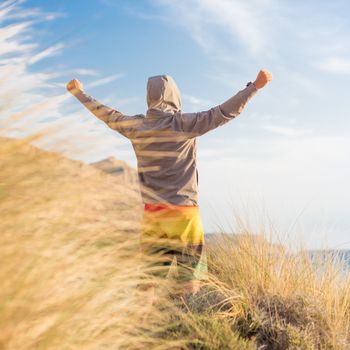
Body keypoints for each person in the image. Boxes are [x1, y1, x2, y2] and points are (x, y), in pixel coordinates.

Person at [66, 70, 272, 300]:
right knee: (189, 279)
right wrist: (254, 87)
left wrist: (79, 93)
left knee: (149, 282)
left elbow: (106, 114)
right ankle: (187, 325)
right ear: (175, 96)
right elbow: (223, 112)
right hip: (184, 215)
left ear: (149, 98)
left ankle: (140, 326)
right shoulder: (184, 124)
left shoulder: (136, 126)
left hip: (154, 215)